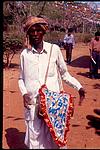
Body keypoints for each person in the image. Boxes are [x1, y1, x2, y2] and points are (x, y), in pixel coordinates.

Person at [18, 16, 85, 149]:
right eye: (32, 31)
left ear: (44, 31)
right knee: (35, 140)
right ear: (28, 34)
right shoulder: (24, 55)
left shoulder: (54, 50)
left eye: (38, 30)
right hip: (33, 105)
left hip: (53, 105)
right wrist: (24, 93)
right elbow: (21, 79)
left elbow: (64, 74)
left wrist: (79, 87)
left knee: (55, 139)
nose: (35, 34)